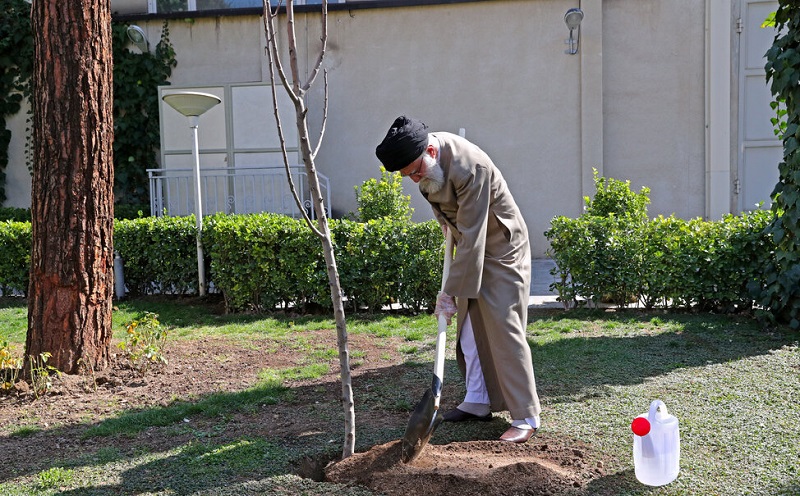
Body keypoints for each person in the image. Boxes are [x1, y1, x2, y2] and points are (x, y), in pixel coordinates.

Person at [375, 115, 542, 443]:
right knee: (467, 327)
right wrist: (443, 222)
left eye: (415, 172)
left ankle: (526, 415)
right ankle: (478, 400)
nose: (414, 179)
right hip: (469, 241)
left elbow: (474, 234)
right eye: (407, 176)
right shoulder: (425, 166)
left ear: (431, 153)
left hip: (501, 246)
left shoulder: (470, 168)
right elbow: (449, 214)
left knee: (503, 325)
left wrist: (448, 294)